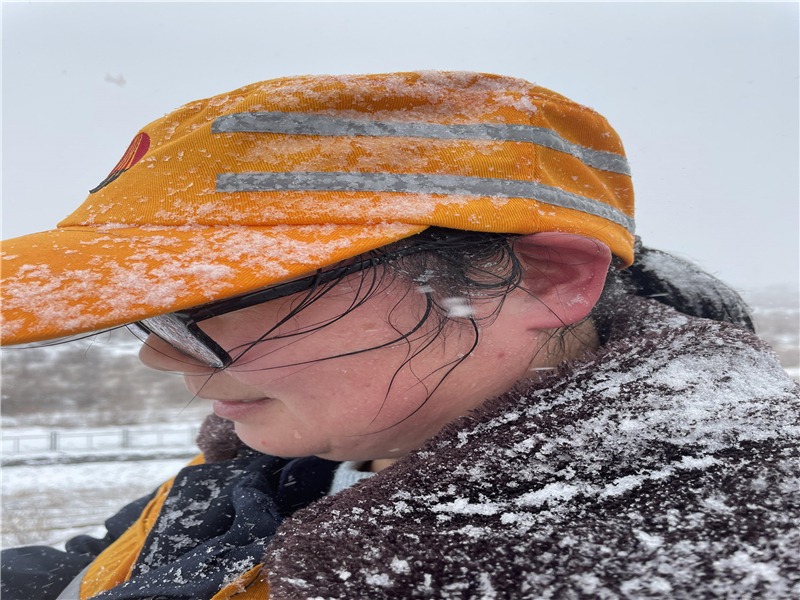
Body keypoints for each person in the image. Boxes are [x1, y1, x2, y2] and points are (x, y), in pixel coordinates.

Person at [1, 71, 797, 600]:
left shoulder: (707, 558)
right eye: (150, 308)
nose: (158, 353)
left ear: (551, 280)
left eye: (217, 297)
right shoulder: (300, 464)